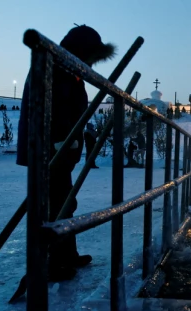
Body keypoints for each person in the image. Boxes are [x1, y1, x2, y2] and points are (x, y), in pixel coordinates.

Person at [16, 24, 116, 281]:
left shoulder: (68, 68)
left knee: (65, 201)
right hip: (50, 148)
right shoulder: (58, 67)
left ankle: (66, 254)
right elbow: (56, 106)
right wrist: (61, 141)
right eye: (91, 57)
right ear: (82, 51)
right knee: (53, 205)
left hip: (59, 147)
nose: (92, 63)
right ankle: (52, 262)